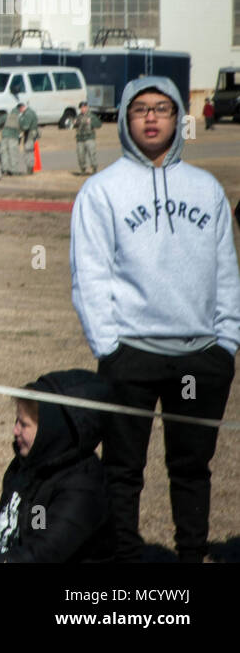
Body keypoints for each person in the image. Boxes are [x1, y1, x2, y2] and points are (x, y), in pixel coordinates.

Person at [70, 77, 239, 563]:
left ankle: (191, 556)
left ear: (177, 117)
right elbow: (91, 274)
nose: (150, 117)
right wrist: (109, 347)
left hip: (200, 356)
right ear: (124, 117)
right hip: (132, 354)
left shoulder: (205, 189)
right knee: (122, 470)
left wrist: (225, 343)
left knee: (192, 468)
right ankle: (123, 560)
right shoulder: (103, 191)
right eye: (139, 109)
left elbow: (226, 271)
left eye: (161, 109)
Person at [0, 370, 115, 563]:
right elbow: (11, 518)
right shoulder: (31, 466)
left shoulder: (83, 489)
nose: (15, 430)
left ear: (50, 431)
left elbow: (46, 552)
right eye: (16, 421)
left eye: (24, 424)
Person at [74, 99, 101, 174]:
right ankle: (83, 170)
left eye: (84, 107)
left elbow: (99, 125)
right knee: (80, 155)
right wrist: (75, 123)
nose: (83, 109)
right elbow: (75, 126)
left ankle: (94, 169)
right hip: (80, 139)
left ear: (87, 107)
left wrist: (91, 122)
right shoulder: (78, 117)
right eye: (81, 107)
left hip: (89, 138)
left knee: (92, 154)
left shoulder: (91, 116)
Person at [0, 102, 23, 176]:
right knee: (13, 153)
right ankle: (14, 170)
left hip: (4, 137)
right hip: (14, 137)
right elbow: (22, 128)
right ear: (20, 109)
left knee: (4, 153)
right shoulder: (20, 117)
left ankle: (4, 170)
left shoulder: (6, 115)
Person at [19, 100, 40, 174]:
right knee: (29, 151)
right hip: (31, 133)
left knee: (28, 151)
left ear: (23, 107)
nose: (20, 110)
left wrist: (19, 130)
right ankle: (30, 168)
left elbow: (26, 126)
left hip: (30, 134)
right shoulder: (30, 112)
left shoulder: (28, 114)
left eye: (20, 108)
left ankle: (30, 169)